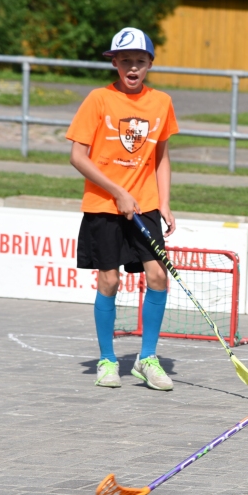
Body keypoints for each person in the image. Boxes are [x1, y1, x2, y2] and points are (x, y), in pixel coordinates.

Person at [67, 27, 179, 391]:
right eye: (125, 61)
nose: (133, 68)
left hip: (144, 205)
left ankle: (147, 359)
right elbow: (77, 156)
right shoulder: (98, 99)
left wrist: (164, 201)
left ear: (149, 64)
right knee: (109, 280)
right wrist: (117, 191)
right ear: (114, 62)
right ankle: (107, 360)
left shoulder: (161, 102)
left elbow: (160, 155)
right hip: (103, 205)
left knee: (159, 276)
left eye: (140, 61)